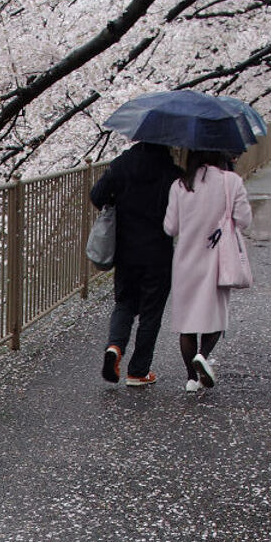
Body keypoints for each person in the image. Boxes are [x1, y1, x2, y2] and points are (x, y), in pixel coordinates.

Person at [163, 148, 252, 393]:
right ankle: (203, 355)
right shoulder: (230, 181)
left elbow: (170, 227)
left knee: (186, 323)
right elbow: (244, 219)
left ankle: (192, 379)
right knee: (215, 317)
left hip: (185, 260)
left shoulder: (180, 185)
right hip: (217, 259)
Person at [90, 141, 179, 387]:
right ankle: (138, 371)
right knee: (151, 311)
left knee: (125, 302)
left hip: (126, 248)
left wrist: (118, 202)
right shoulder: (172, 174)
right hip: (158, 252)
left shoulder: (121, 165)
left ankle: (115, 346)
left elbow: (96, 195)